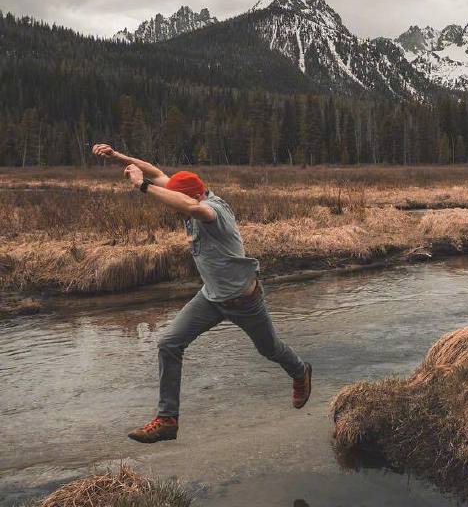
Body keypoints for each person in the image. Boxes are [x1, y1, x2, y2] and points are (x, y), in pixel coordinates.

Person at [91, 144, 312, 442]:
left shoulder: (212, 211)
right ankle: (167, 419)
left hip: (244, 300)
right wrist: (118, 157)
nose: (174, 207)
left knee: (269, 349)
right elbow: (157, 172)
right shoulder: (188, 192)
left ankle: (300, 372)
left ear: (194, 195)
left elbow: (193, 208)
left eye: (177, 200)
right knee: (169, 343)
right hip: (211, 297)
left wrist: (141, 186)